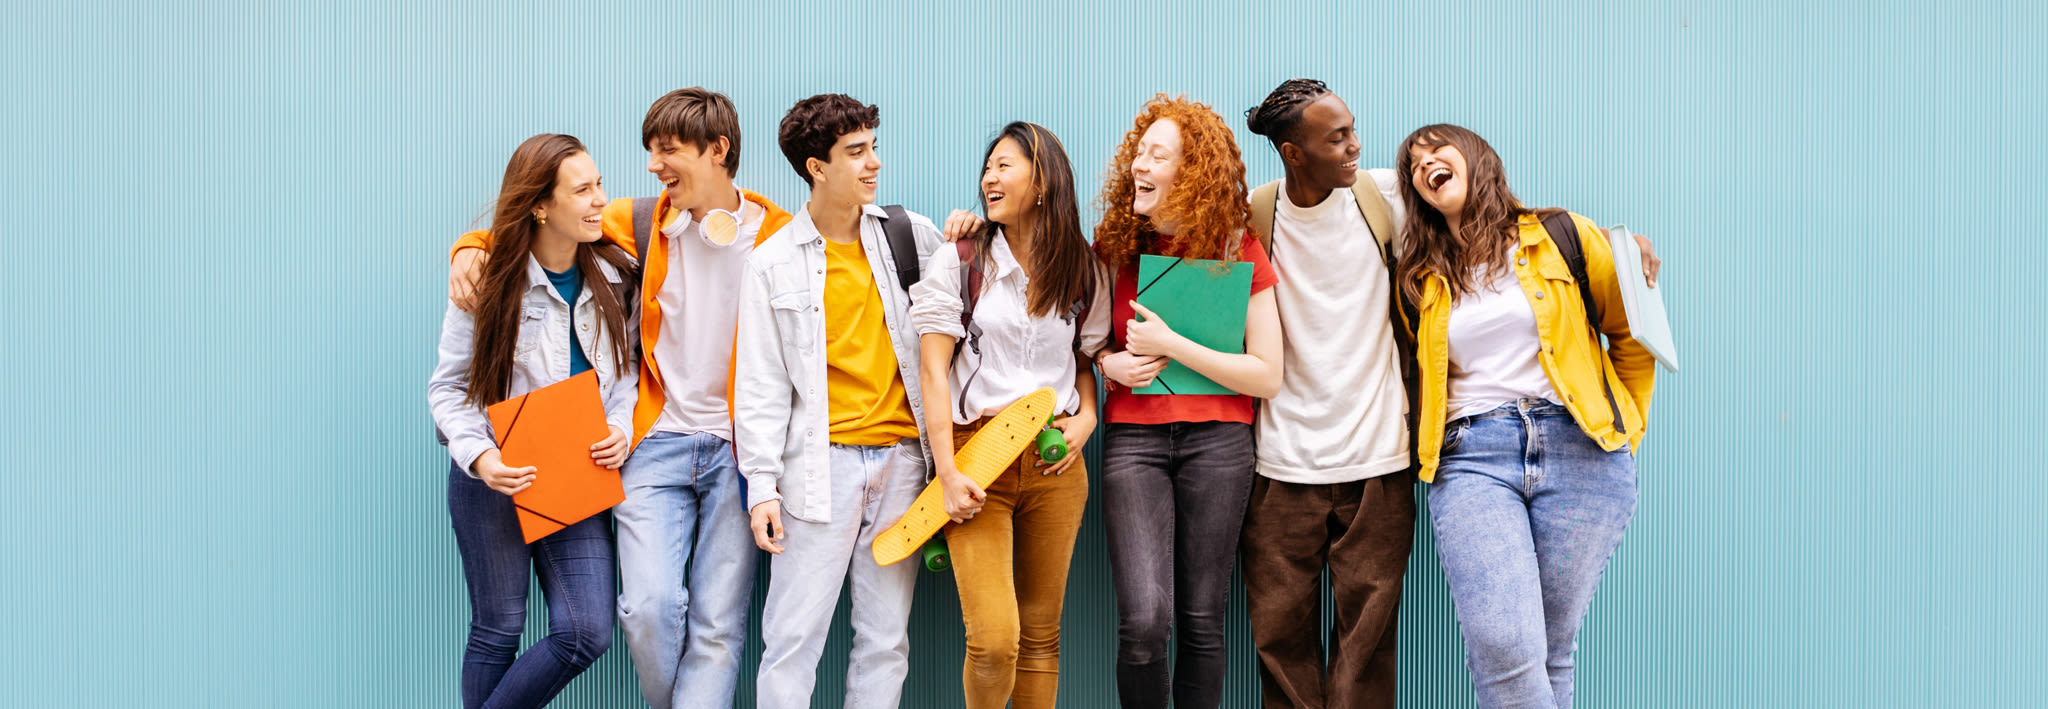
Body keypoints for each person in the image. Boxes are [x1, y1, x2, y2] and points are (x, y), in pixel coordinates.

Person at [445, 88, 794, 709]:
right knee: (530, 622)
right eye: (584, 189)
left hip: (670, 458)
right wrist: (467, 248)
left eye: (667, 150)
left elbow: (628, 365)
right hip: (550, 458)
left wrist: (615, 423)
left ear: (718, 150)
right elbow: (509, 238)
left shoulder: (769, 240)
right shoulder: (636, 229)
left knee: (622, 629)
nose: (648, 169)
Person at [1394, 123, 1654, 709]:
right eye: (1413, 164)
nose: (1423, 162)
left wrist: (1625, 428)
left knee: (1550, 650)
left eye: (1437, 147)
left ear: (1478, 156)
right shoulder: (1419, 277)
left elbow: (1630, 336)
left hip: (1581, 451)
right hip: (1471, 459)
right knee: (1505, 645)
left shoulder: (1565, 235)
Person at [735, 93, 944, 709]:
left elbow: (968, 301)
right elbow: (761, 384)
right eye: (856, 152)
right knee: (792, 638)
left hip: (904, 465)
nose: (873, 163)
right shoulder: (773, 262)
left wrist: (967, 230)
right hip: (817, 470)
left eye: (873, 146)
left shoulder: (912, 237)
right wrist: (762, 487)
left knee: (885, 641)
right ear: (815, 167)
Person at [426, 133, 636, 709]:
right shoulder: (488, 280)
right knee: (497, 629)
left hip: (575, 476)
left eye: (600, 184)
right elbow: (448, 389)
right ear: (540, 205)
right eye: (584, 190)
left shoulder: (618, 275)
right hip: (494, 472)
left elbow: (626, 379)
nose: (600, 200)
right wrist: (483, 458)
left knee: (586, 631)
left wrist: (621, 429)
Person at [1088, 95, 1283, 709]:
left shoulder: (1239, 250)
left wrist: (1172, 344)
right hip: (1134, 443)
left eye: (1157, 154)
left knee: (1202, 620)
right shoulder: (1113, 246)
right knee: (1144, 622)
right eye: (1138, 152)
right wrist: (1107, 363)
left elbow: (1267, 375)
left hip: (1221, 443)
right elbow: (1083, 341)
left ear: (1191, 172)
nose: (1138, 165)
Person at [909, 121, 1110, 709]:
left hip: (1055, 463)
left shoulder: (1083, 267)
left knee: (1042, 639)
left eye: (1005, 166)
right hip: (977, 462)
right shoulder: (961, 261)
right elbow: (931, 373)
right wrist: (946, 472)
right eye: (988, 167)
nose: (989, 178)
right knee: (996, 641)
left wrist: (1088, 418)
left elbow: (1084, 361)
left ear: (1043, 180)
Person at [1237, 79, 1417, 709]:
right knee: (1279, 642)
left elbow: (1490, 214)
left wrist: (1606, 245)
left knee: (1366, 649)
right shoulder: (1255, 216)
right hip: (1281, 467)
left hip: (1379, 464)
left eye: (1352, 131)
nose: (1354, 147)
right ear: (1293, 152)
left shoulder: (1382, 198)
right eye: (1336, 138)